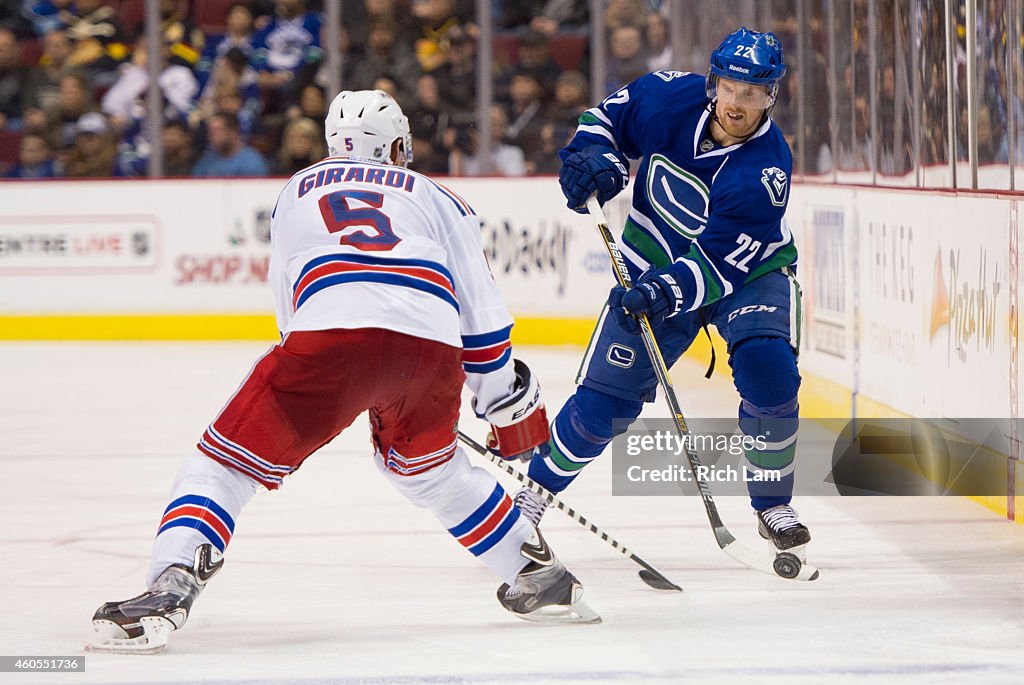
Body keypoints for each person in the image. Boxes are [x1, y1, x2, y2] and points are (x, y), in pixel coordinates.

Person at [88, 89, 598, 654]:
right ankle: (538, 577)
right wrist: (500, 400)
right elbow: (481, 313)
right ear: (399, 144)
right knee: (427, 471)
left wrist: (332, 375)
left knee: (222, 464)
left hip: (330, 331)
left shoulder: (294, 190)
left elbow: (289, 309)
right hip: (429, 346)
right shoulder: (438, 196)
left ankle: (173, 580)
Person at [519, 28, 812, 563]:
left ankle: (773, 505)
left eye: (752, 93)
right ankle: (530, 500)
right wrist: (594, 159)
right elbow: (602, 121)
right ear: (713, 83)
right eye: (730, 87)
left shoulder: (765, 169)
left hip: (747, 275)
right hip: (653, 261)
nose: (738, 103)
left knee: (769, 367)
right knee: (601, 406)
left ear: (771, 96)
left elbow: (722, 263)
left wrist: (663, 291)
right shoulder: (667, 97)